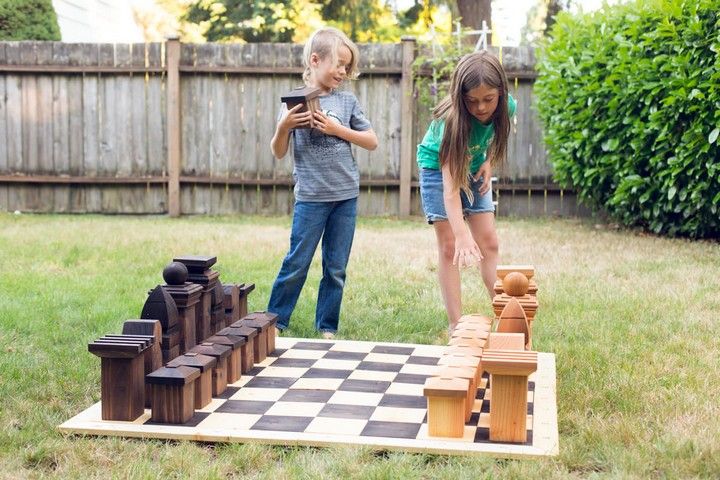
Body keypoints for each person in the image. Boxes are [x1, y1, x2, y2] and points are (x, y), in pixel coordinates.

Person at [268, 27, 378, 339]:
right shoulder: (293, 102)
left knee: (336, 268)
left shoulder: (347, 102)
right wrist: (283, 127)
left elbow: (371, 141)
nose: (344, 71)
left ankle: (327, 326)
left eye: (347, 66)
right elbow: (278, 152)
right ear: (315, 60)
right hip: (311, 198)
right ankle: (275, 322)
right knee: (297, 263)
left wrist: (335, 129)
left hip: (345, 197)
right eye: (339, 64)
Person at [417, 51, 516, 333]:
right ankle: (455, 324)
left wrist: (488, 161)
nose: (481, 108)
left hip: (474, 164)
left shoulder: (506, 106)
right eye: (472, 101)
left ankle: (505, 317)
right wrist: (462, 235)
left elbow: (497, 137)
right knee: (450, 246)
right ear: (461, 97)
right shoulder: (450, 122)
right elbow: (450, 192)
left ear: (500, 93)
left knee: (490, 242)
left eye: (488, 99)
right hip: (438, 170)